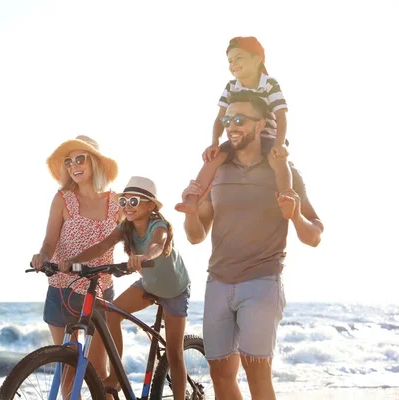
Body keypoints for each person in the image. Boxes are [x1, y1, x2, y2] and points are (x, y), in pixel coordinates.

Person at [182, 90, 324, 400]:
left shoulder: (283, 171)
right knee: (220, 377)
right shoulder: (216, 169)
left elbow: (314, 234)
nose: (231, 126)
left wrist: (296, 216)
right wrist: (192, 212)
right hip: (217, 282)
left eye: (239, 119)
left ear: (261, 125)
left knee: (257, 375)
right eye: (227, 119)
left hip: (261, 282)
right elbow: (195, 235)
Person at [61, 176, 190, 400]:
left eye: (134, 201)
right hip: (149, 286)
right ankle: (116, 376)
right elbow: (102, 245)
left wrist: (143, 256)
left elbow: (157, 245)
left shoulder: (157, 226)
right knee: (112, 313)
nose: (127, 207)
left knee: (174, 353)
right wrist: (73, 262)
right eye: (124, 202)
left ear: (150, 205)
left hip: (174, 290)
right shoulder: (125, 228)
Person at [30, 135, 121, 397]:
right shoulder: (63, 199)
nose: (73, 165)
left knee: (98, 372)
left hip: (99, 291)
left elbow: (132, 237)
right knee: (67, 368)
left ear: (95, 162)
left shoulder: (116, 203)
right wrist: (42, 257)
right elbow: (49, 242)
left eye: (80, 159)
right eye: (69, 162)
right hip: (62, 290)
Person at [176, 36, 295, 219]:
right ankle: (192, 200)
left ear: (257, 59)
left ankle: (287, 194)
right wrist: (214, 142)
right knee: (213, 158)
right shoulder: (231, 86)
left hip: (268, 136)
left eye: (239, 58)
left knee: (278, 159)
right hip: (239, 136)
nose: (233, 64)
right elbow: (220, 117)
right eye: (230, 61)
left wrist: (280, 143)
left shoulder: (270, 84)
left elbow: (281, 116)